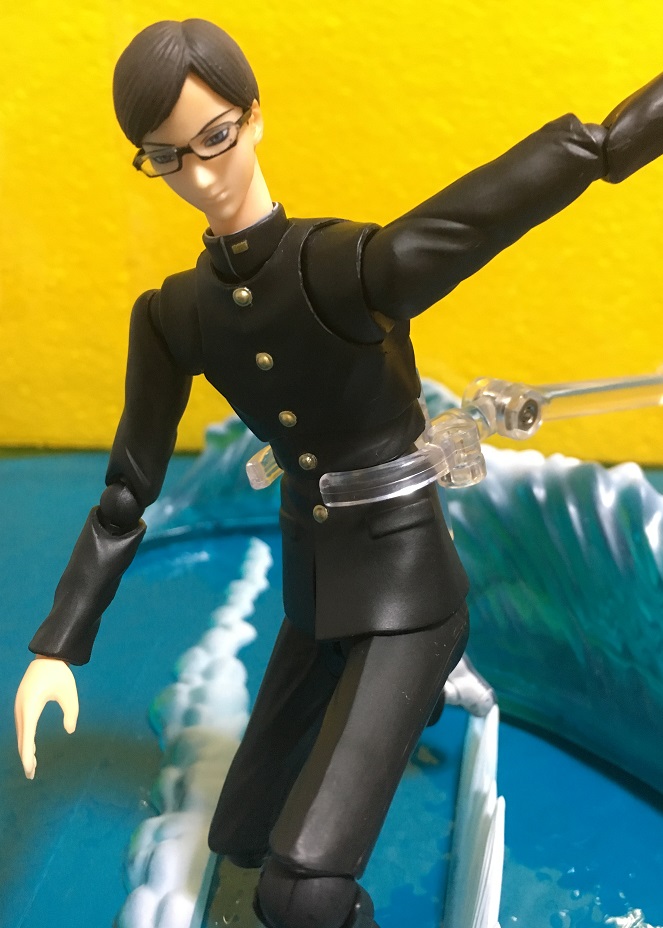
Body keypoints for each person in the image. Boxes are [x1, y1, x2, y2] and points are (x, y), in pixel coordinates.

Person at [14, 19, 663, 928]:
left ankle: (416, 697)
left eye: (214, 138)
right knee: (240, 835)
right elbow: (128, 491)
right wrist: (58, 644)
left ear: (252, 118)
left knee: (302, 891)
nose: (200, 175)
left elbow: (504, 200)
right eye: (166, 158)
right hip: (314, 602)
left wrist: (622, 134)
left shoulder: (346, 270)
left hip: (408, 600)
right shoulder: (176, 316)